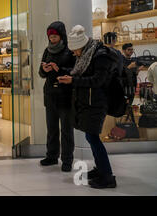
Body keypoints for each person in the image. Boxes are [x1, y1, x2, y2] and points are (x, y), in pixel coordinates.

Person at [58, 25, 117, 189]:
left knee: (92, 137)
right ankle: (100, 169)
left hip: (98, 103)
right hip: (90, 102)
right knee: (91, 137)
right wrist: (64, 72)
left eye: (76, 50)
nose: (74, 54)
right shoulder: (87, 55)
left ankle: (108, 176)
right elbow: (81, 72)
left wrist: (73, 81)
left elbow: (97, 81)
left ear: (82, 46)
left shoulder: (100, 56)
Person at [38, 21, 76, 172]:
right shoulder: (47, 51)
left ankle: (67, 160)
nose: (52, 39)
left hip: (65, 94)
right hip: (50, 94)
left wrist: (59, 69)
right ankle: (52, 156)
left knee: (67, 129)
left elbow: (75, 70)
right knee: (51, 128)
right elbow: (41, 74)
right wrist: (45, 70)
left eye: (55, 36)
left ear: (61, 36)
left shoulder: (70, 50)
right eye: (50, 36)